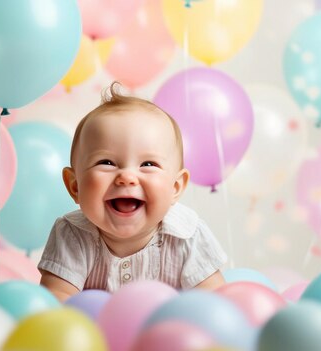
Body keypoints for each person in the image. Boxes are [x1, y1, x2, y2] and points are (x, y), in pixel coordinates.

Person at [38, 82, 227, 302]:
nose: (127, 177)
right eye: (106, 162)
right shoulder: (71, 235)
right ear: (75, 186)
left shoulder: (188, 235)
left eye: (148, 164)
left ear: (175, 187)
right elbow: (56, 299)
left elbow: (215, 303)